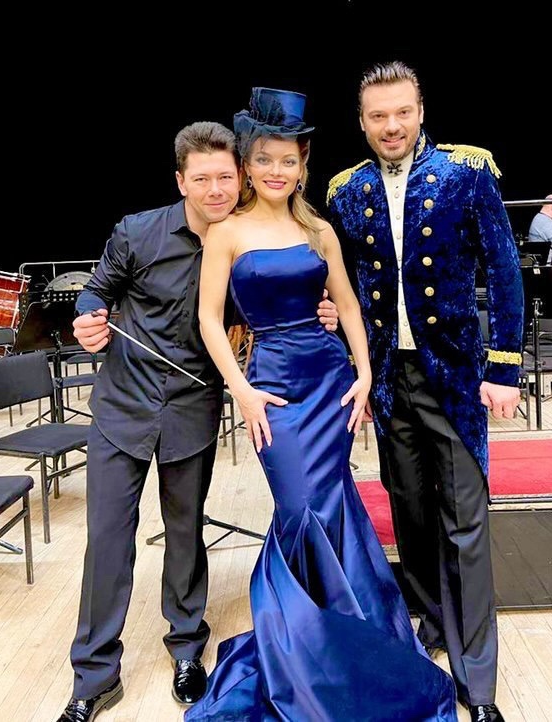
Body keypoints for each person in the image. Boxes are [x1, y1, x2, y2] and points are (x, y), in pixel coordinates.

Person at [188, 87, 457, 721]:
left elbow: (351, 305)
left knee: (334, 505)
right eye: (265, 160)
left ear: (302, 165)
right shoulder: (225, 233)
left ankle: (349, 641)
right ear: (248, 164)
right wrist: (240, 389)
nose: (276, 171)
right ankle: (305, 654)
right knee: (300, 508)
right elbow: (207, 320)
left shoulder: (318, 230)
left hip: (328, 382)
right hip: (273, 389)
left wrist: (363, 373)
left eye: (288, 160)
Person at [57, 120, 339, 722]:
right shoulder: (137, 232)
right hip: (123, 406)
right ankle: (94, 676)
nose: (216, 189)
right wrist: (89, 317)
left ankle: (187, 648)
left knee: (185, 532)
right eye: (202, 178)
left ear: (240, 178)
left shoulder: (248, 242)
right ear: (181, 181)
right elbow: (96, 290)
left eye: (225, 177)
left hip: (192, 405)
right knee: (108, 538)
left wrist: (319, 311)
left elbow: (276, 307)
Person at [326, 61, 524, 722]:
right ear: (362, 122)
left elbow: (503, 268)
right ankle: (433, 622)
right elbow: (345, 285)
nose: (392, 126)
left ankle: (478, 680)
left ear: (420, 111)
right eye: (378, 116)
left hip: (456, 378)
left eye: (402, 112)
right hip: (389, 382)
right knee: (409, 510)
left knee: (466, 521)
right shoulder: (347, 190)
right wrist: (341, 344)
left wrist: (504, 368)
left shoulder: (467, 171)